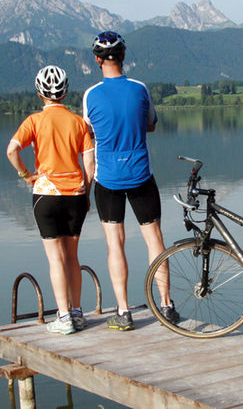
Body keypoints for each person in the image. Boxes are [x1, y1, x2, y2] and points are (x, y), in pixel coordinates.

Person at [82, 31, 177, 331]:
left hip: (107, 180)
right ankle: (166, 305)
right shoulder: (140, 89)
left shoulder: (90, 95)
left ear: (97, 60)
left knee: (115, 245)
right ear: (123, 57)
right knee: (155, 241)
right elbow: (150, 124)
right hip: (140, 176)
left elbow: (89, 132)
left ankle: (123, 312)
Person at [7, 65, 95, 335]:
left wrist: (26, 175)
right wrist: (86, 191)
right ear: (66, 92)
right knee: (72, 257)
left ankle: (64, 316)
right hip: (75, 196)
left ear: (39, 93)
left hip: (45, 195)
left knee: (55, 259)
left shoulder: (33, 121)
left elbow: (11, 150)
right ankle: (78, 313)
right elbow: (90, 163)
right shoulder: (79, 123)